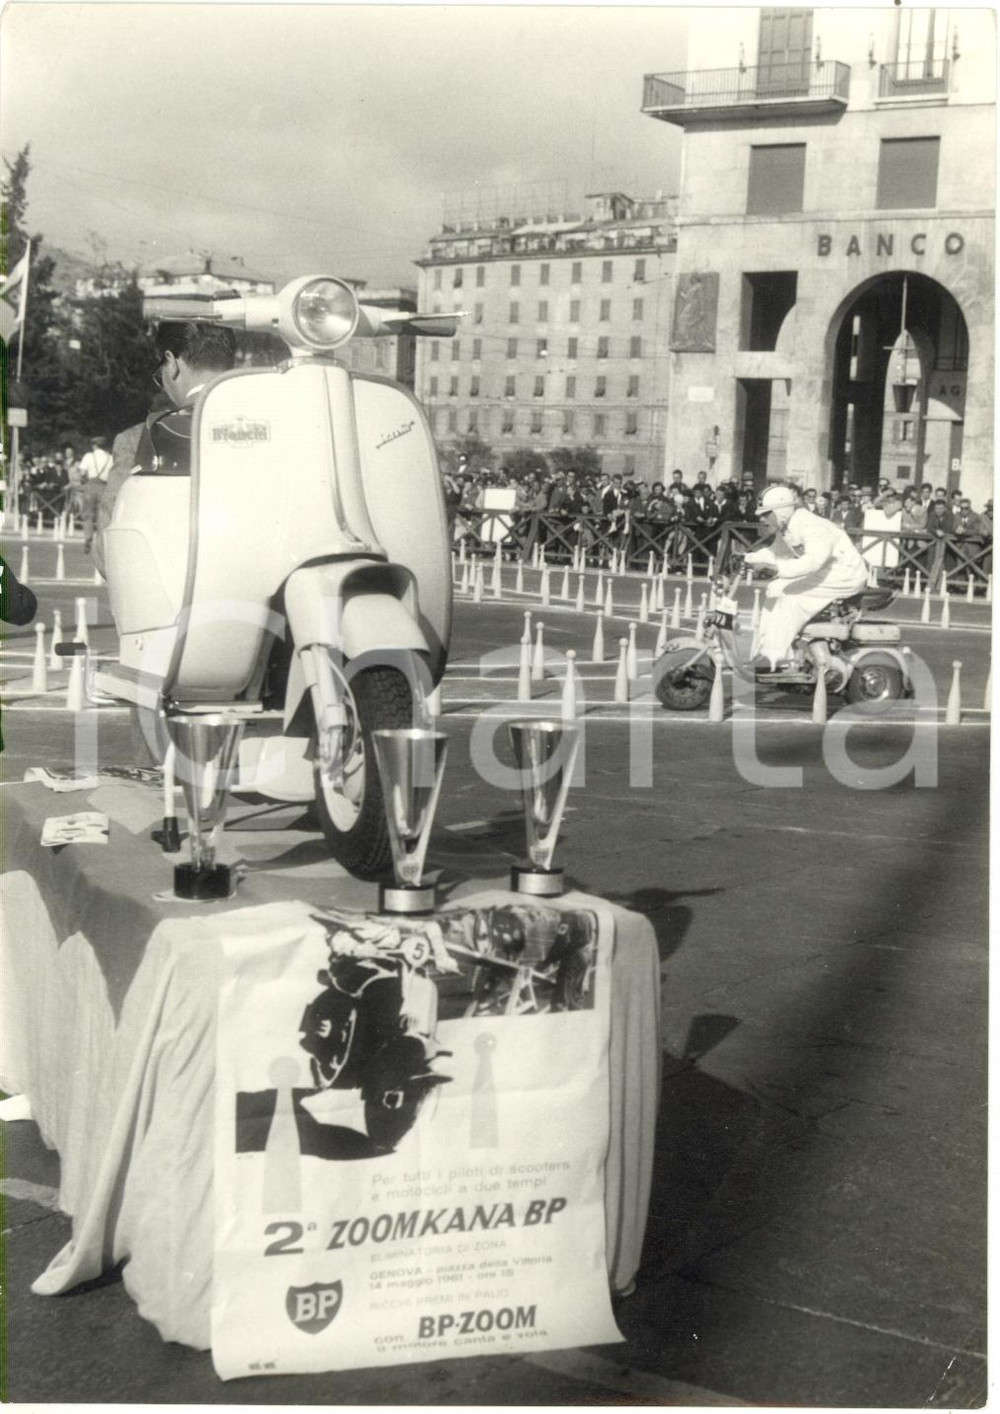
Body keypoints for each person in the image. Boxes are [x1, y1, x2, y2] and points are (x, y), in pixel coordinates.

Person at [94, 324, 237, 573]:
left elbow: (107, 551)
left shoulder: (137, 438)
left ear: (171, 363)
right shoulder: (274, 428)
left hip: (165, 603)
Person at [744, 483, 868, 670]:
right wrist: (747, 559)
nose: (762, 519)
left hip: (845, 575)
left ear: (781, 511)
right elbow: (775, 552)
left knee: (790, 596)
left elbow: (813, 561)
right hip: (828, 572)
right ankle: (765, 651)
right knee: (774, 588)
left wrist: (776, 568)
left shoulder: (810, 525)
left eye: (766, 514)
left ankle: (775, 659)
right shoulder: (787, 526)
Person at [78, 437, 114, 553]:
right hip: (104, 486)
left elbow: (82, 472)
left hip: (91, 485)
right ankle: (100, 542)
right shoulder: (110, 458)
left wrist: (84, 480)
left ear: (94, 445)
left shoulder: (89, 456)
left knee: (87, 513)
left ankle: (88, 536)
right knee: (102, 514)